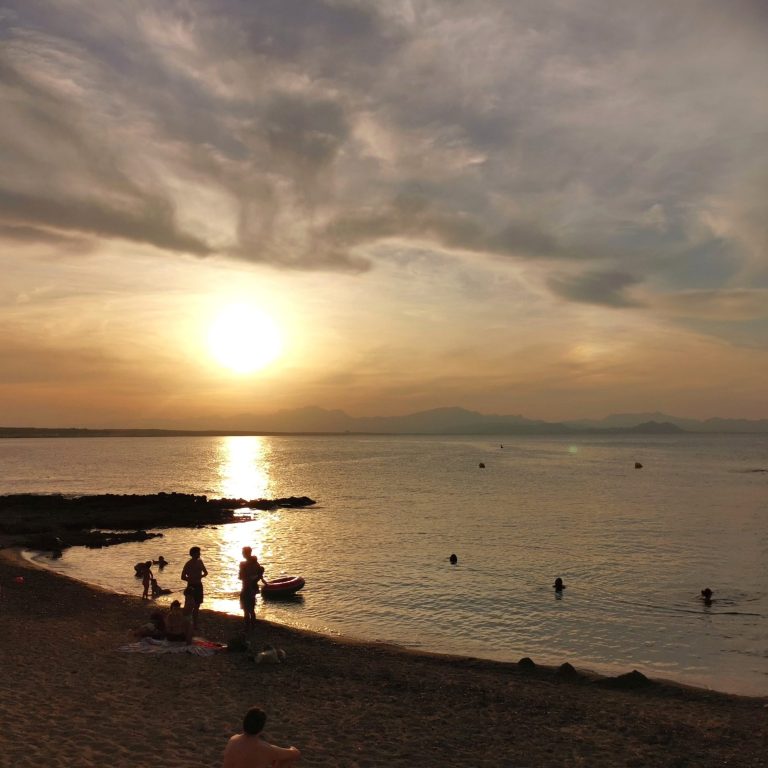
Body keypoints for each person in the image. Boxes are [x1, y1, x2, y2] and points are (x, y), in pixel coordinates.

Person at [222, 707, 300, 768]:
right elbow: (295, 753)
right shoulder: (265, 748)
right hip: (266, 753)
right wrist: (292, 748)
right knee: (285, 759)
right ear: (261, 729)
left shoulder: (233, 739)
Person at [238, 547, 266, 632]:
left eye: (243, 552)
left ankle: (247, 627)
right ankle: (252, 627)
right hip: (253, 588)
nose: (242, 554)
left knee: (246, 609)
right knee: (251, 609)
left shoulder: (244, 564)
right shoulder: (256, 563)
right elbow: (260, 574)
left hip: (247, 588)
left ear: (246, 553)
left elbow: (241, 577)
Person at [181, 546, 208, 630]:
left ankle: (194, 624)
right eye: (198, 552)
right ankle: (185, 622)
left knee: (197, 605)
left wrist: (201, 576)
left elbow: (206, 572)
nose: (199, 554)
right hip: (191, 586)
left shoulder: (200, 562)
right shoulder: (188, 563)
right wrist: (191, 578)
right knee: (189, 605)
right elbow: (182, 577)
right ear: (193, 554)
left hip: (199, 585)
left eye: (199, 552)